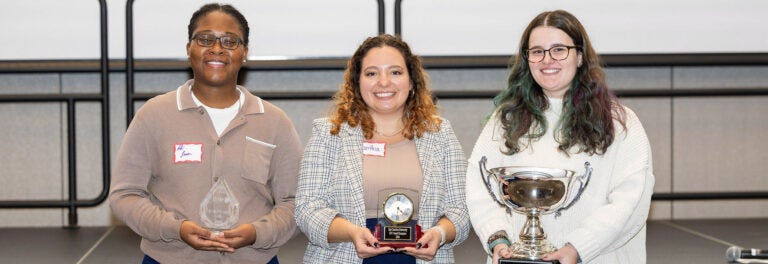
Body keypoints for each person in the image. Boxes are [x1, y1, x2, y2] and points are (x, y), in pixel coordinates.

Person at [109, 3, 302, 264]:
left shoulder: (275, 122)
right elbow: (124, 195)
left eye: (230, 41)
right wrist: (174, 229)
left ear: (245, 52)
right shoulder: (153, 115)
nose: (217, 48)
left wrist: (258, 233)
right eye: (205, 39)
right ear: (189, 48)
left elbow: (296, 202)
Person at [465, 10, 655, 264]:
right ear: (527, 59)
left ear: (579, 56)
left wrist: (578, 248)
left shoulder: (620, 122)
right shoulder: (506, 119)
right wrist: (497, 239)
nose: (547, 60)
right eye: (537, 51)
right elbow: (480, 185)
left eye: (558, 50)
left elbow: (630, 202)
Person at [295, 34, 470, 264]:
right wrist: (351, 232)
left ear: (411, 81)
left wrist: (441, 233)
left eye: (395, 72)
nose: (384, 82)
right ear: (357, 82)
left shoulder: (440, 133)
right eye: (372, 73)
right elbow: (307, 208)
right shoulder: (329, 134)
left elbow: (462, 209)